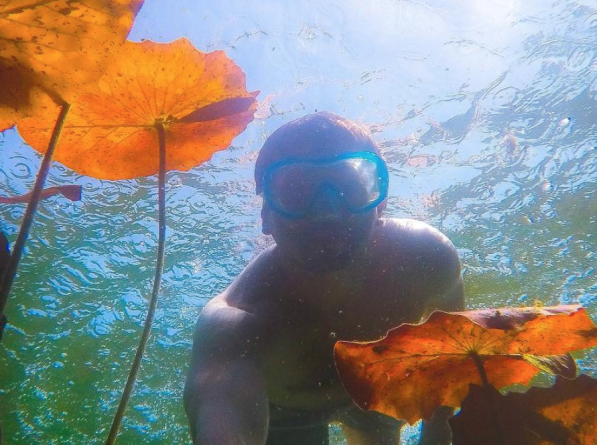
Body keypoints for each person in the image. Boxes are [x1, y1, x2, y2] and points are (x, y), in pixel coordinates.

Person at [184, 112, 464, 445]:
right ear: (266, 217)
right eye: (298, 191)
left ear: (381, 204)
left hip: (373, 390)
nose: (327, 212)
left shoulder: (427, 259)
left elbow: (453, 360)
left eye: (350, 188)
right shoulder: (236, 325)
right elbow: (222, 413)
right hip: (285, 417)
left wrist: (437, 434)